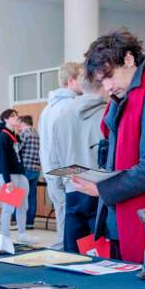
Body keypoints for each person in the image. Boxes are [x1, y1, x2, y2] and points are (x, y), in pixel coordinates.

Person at [72, 28, 145, 263]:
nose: (108, 86)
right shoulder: (124, 99)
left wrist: (102, 188)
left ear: (129, 59)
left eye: (110, 76)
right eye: (103, 81)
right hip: (120, 217)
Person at [51, 73, 109, 252]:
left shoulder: (60, 116)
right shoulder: (108, 113)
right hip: (100, 190)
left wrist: (61, 184)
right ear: (103, 86)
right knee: (103, 258)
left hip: (72, 188)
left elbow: (54, 157)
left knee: (72, 254)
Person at [39, 62, 83, 246]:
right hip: (67, 174)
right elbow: (70, 146)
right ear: (71, 81)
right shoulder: (71, 107)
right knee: (71, 229)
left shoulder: (48, 108)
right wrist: (70, 176)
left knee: (63, 221)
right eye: (82, 77)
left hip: (53, 171)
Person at [0, 109, 36, 243]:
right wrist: (7, 181)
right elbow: (2, 160)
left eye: (16, 115)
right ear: (5, 119)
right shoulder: (2, 137)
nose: (16, 117)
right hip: (9, 176)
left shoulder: (15, 136)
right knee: (8, 207)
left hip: (20, 175)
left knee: (23, 206)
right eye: (12, 116)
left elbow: (19, 155)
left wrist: (23, 173)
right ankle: (5, 236)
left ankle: (22, 233)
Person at [18, 115, 41, 230]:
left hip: (25, 168)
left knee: (20, 195)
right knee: (32, 196)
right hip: (36, 169)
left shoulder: (23, 134)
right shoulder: (37, 134)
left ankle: (19, 221)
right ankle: (30, 222)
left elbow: (16, 149)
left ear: (22, 123)